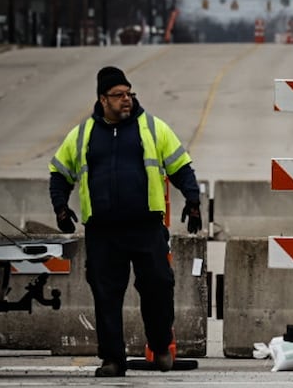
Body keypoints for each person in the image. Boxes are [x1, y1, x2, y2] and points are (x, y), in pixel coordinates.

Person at [48, 66, 202, 377]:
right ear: (102, 99)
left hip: (145, 227)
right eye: (118, 95)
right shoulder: (82, 135)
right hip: (103, 231)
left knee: (159, 286)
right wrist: (61, 208)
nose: (126, 99)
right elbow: (59, 173)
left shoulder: (153, 128)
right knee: (106, 295)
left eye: (129, 93)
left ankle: (160, 346)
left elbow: (181, 167)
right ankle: (113, 360)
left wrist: (194, 201)